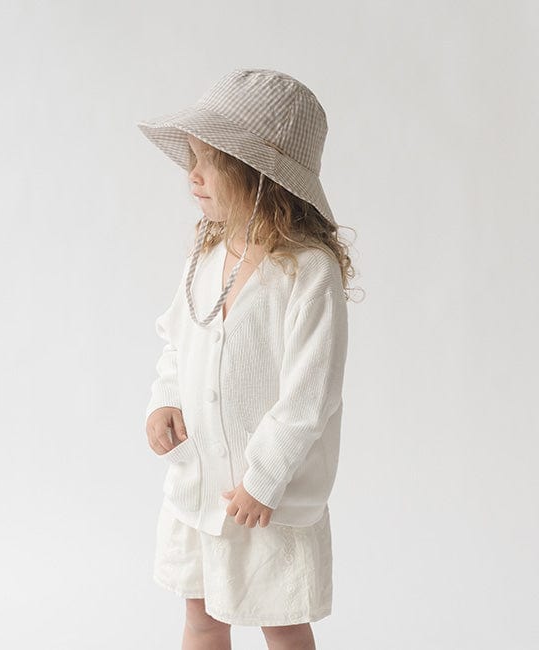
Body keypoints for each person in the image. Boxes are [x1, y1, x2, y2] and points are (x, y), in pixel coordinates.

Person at [137, 68, 360, 650]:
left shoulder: (308, 272)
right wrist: (166, 399)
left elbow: (311, 395)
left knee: (281, 624)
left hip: (268, 498)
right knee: (201, 616)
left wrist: (264, 479)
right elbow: (178, 339)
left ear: (260, 177)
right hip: (202, 484)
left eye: (209, 162)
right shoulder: (209, 252)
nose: (192, 176)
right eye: (192, 159)